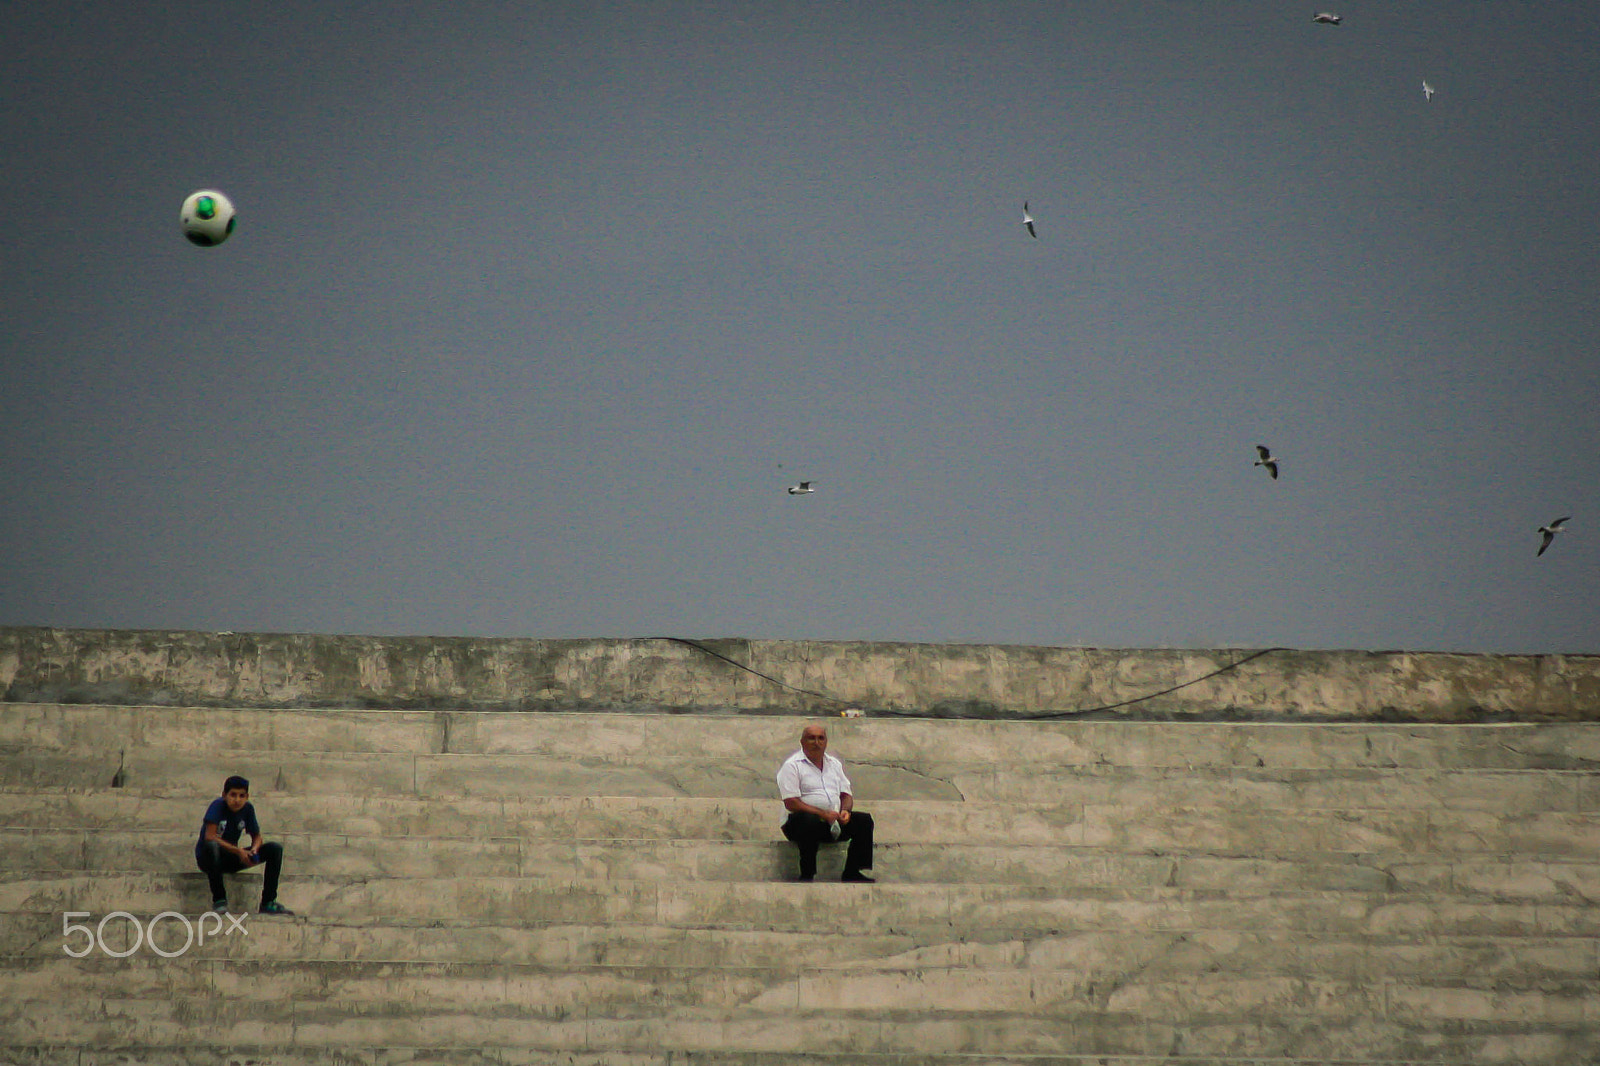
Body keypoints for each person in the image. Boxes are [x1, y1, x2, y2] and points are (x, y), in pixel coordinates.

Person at [776, 723, 875, 882]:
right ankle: (807, 874)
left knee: (863, 821)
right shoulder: (792, 766)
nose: (817, 742)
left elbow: (846, 795)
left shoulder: (834, 764)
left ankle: (852, 871)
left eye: (820, 738)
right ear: (802, 742)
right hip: (799, 823)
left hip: (832, 821)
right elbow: (791, 802)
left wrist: (846, 812)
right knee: (809, 821)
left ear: (826, 741)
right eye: (811, 738)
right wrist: (822, 814)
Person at [195, 775, 293, 915]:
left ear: (247, 797)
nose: (237, 800)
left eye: (241, 796)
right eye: (233, 795)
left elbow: (257, 836)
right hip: (209, 859)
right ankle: (219, 899)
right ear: (224, 795)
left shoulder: (247, 809)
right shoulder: (217, 806)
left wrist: (254, 849)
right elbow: (210, 836)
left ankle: (268, 902)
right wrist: (239, 851)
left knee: (274, 849)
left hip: (231, 857)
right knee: (212, 846)